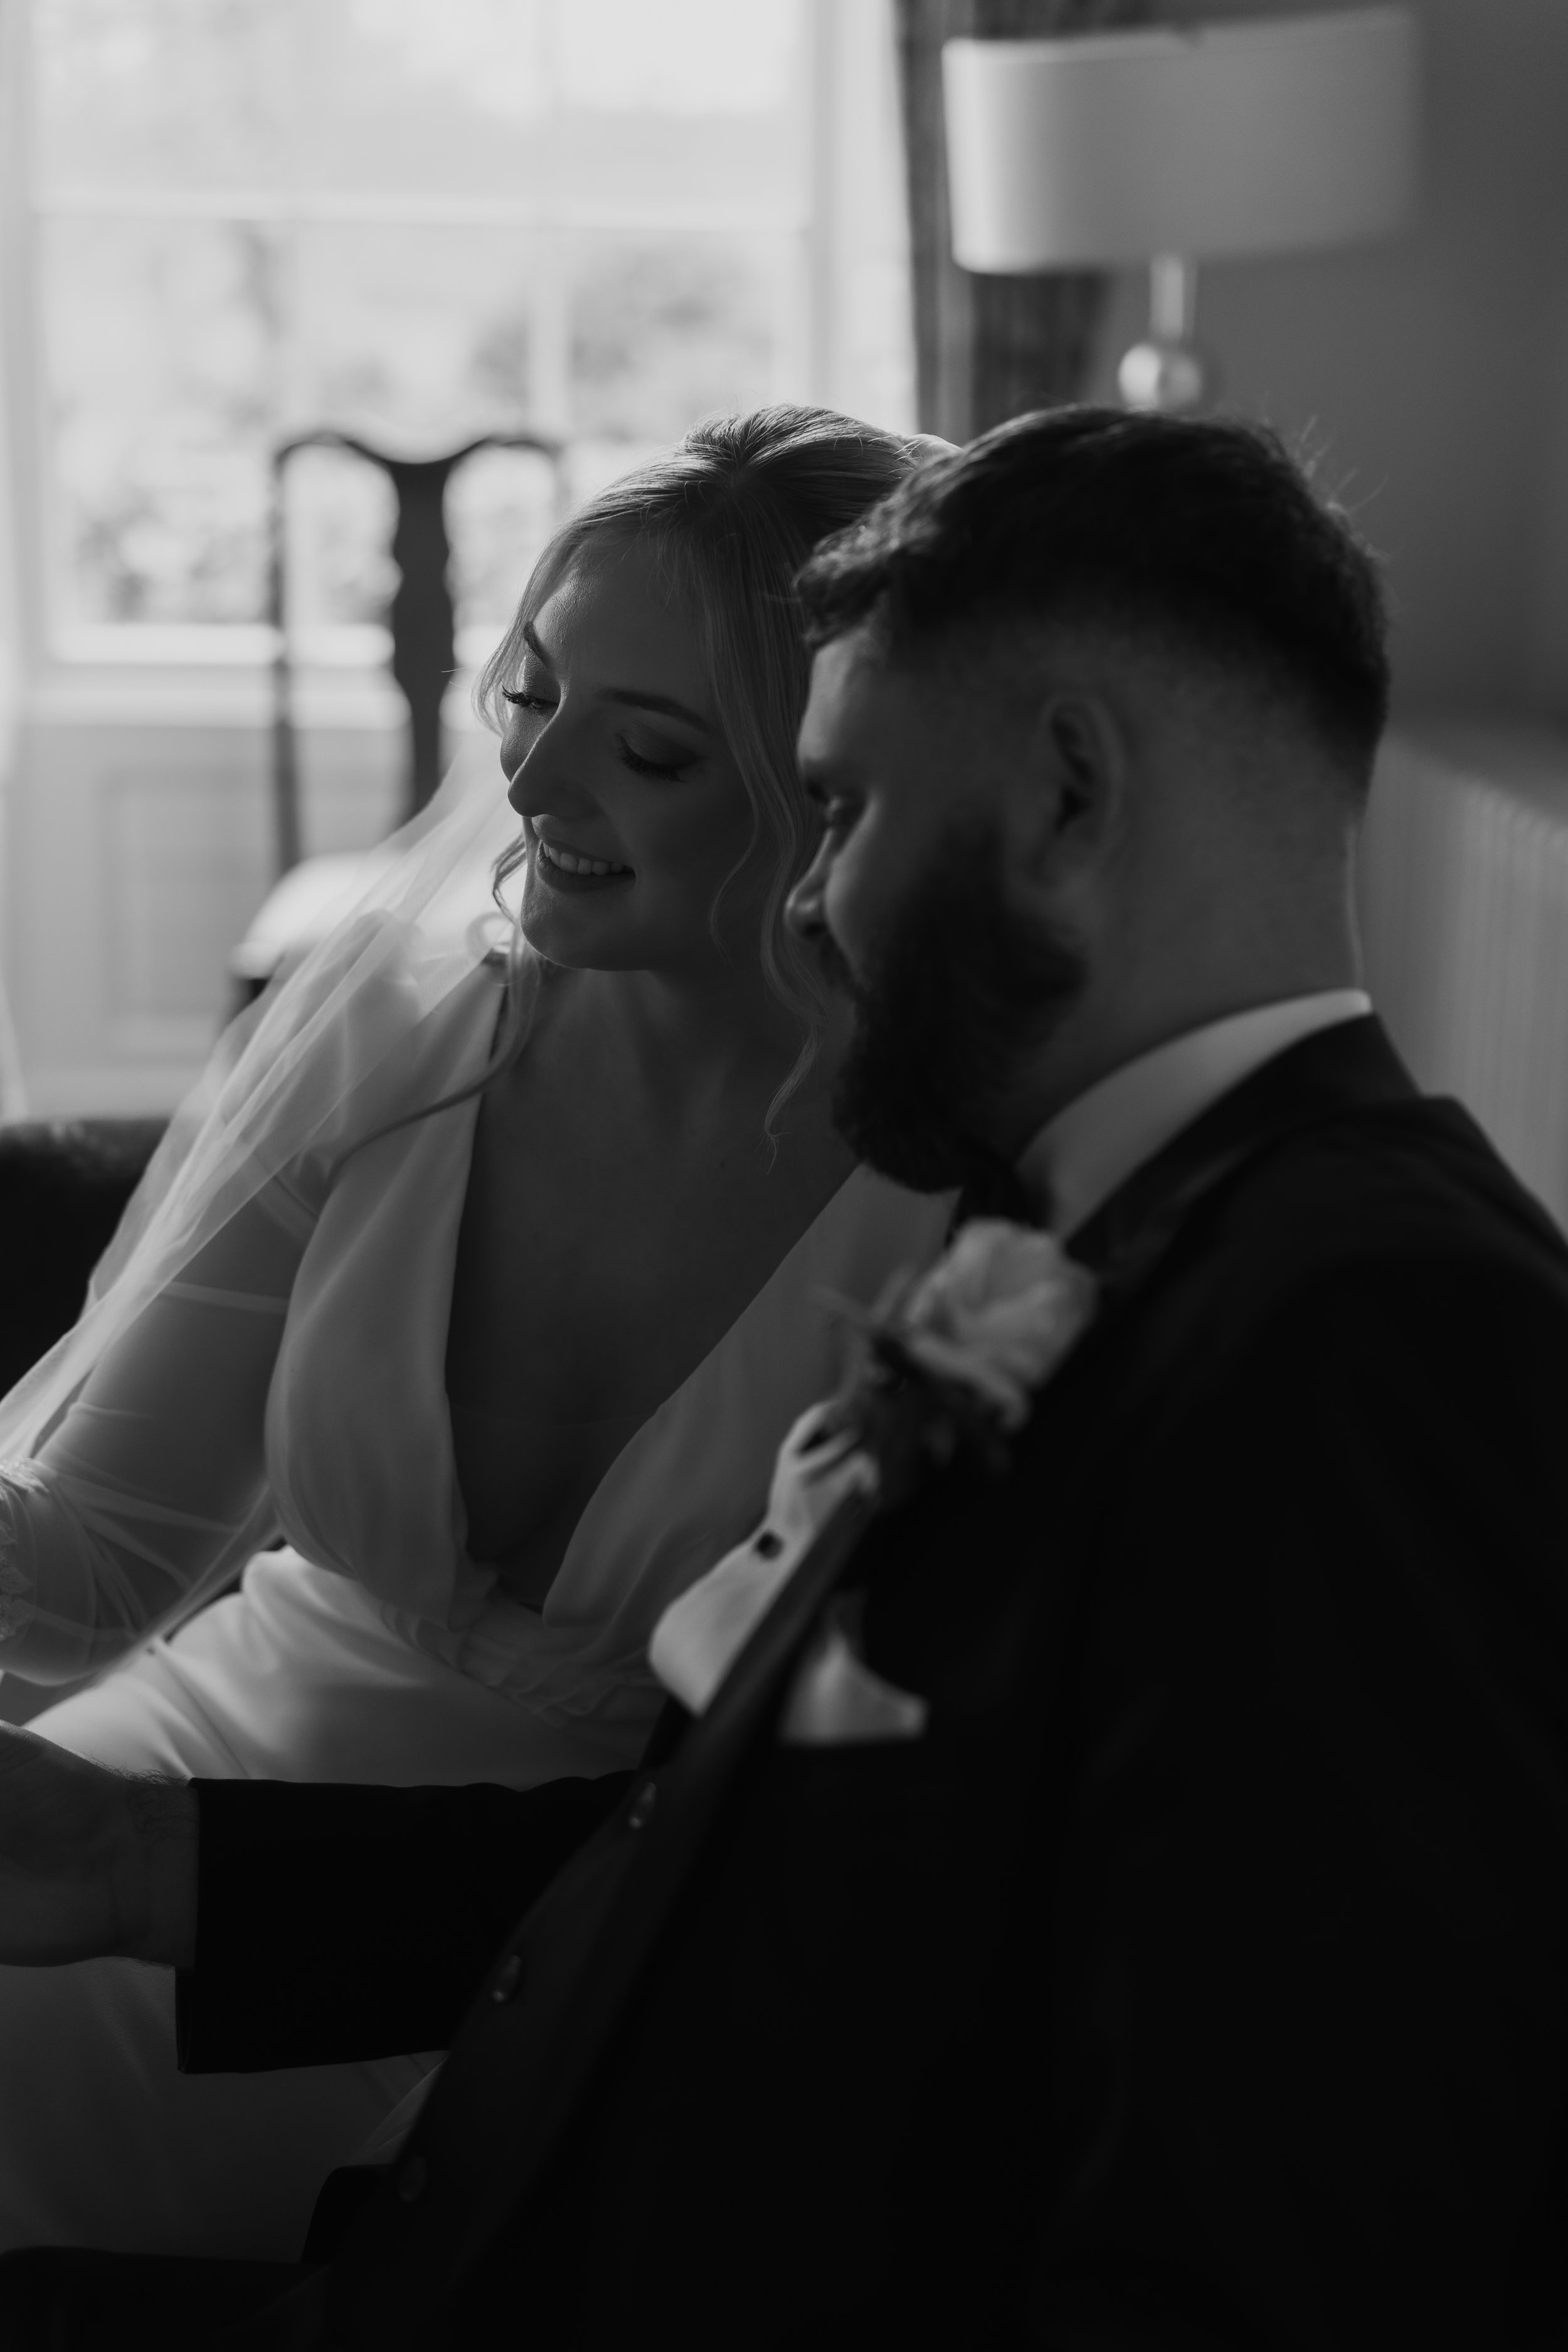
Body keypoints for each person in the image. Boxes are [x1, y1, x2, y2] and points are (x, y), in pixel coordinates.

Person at [4, 403, 1568, 2349]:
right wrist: (145, 1860)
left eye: (838, 810)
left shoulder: (1370, 1326)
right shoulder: (1127, 1231)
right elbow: (741, 1854)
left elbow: (1281, 2185)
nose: (810, 905)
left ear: (1066, 798)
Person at [0, 406, 953, 2261]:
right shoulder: (397, 1048)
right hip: (179, 1784)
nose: (533, 788)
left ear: (828, 780)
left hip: (600, 1949)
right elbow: (94, 1564)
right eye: (530, 700)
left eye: (647, 747)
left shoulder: (968, 1196)